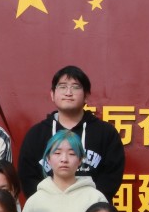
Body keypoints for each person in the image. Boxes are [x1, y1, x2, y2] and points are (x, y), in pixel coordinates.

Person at [17, 65, 127, 199]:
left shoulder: (106, 133)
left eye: (75, 87)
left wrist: (90, 203)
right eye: (62, 87)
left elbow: (112, 176)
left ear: (86, 95)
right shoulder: (36, 134)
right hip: (47, 209)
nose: (68, 93)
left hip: (93, 208)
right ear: (52, 94)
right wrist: (49, 203)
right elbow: (28, 176)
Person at [22, 130, 107, 212]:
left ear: (80, 160)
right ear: (48, 159)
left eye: (72, 154)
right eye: (57, 153)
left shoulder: (95, 198)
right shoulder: (34, 202)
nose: (64, 159)